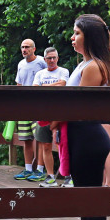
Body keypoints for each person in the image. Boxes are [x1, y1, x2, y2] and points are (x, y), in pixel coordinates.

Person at [56, 14, 110, 220]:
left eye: (77, 33)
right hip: (80, 135)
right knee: (84, 193)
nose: (72, 38)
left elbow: (77, 106)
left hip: (89, 135)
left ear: (90, 37)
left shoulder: (94, 66)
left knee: (92, 195)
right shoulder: (84, 64)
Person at [31, 47, 69, 186]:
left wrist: (44, 87)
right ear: (45, 59)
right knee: (46, 146)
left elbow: (63, 84)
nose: (52, 60)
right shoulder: (40, 73)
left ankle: (68, 176)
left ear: (57, 58)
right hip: (43, 114)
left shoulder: (63, 71)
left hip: (59, 114)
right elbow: (35, 90)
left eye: (54, 58)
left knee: (63, 146)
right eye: (49, 58)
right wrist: (53, 86)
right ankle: (50, 176)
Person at [13, 39, 47, 180]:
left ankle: (39, 169)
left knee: (39, 138)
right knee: (26, 138)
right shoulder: (20, 64)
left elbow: (48, 76)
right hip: (24, 105)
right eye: (22, 47)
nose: (24, 50)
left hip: (38, 105)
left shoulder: (41, 62)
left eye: (27, 47)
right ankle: (27, 169)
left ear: (34, 49)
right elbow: (19, 84)